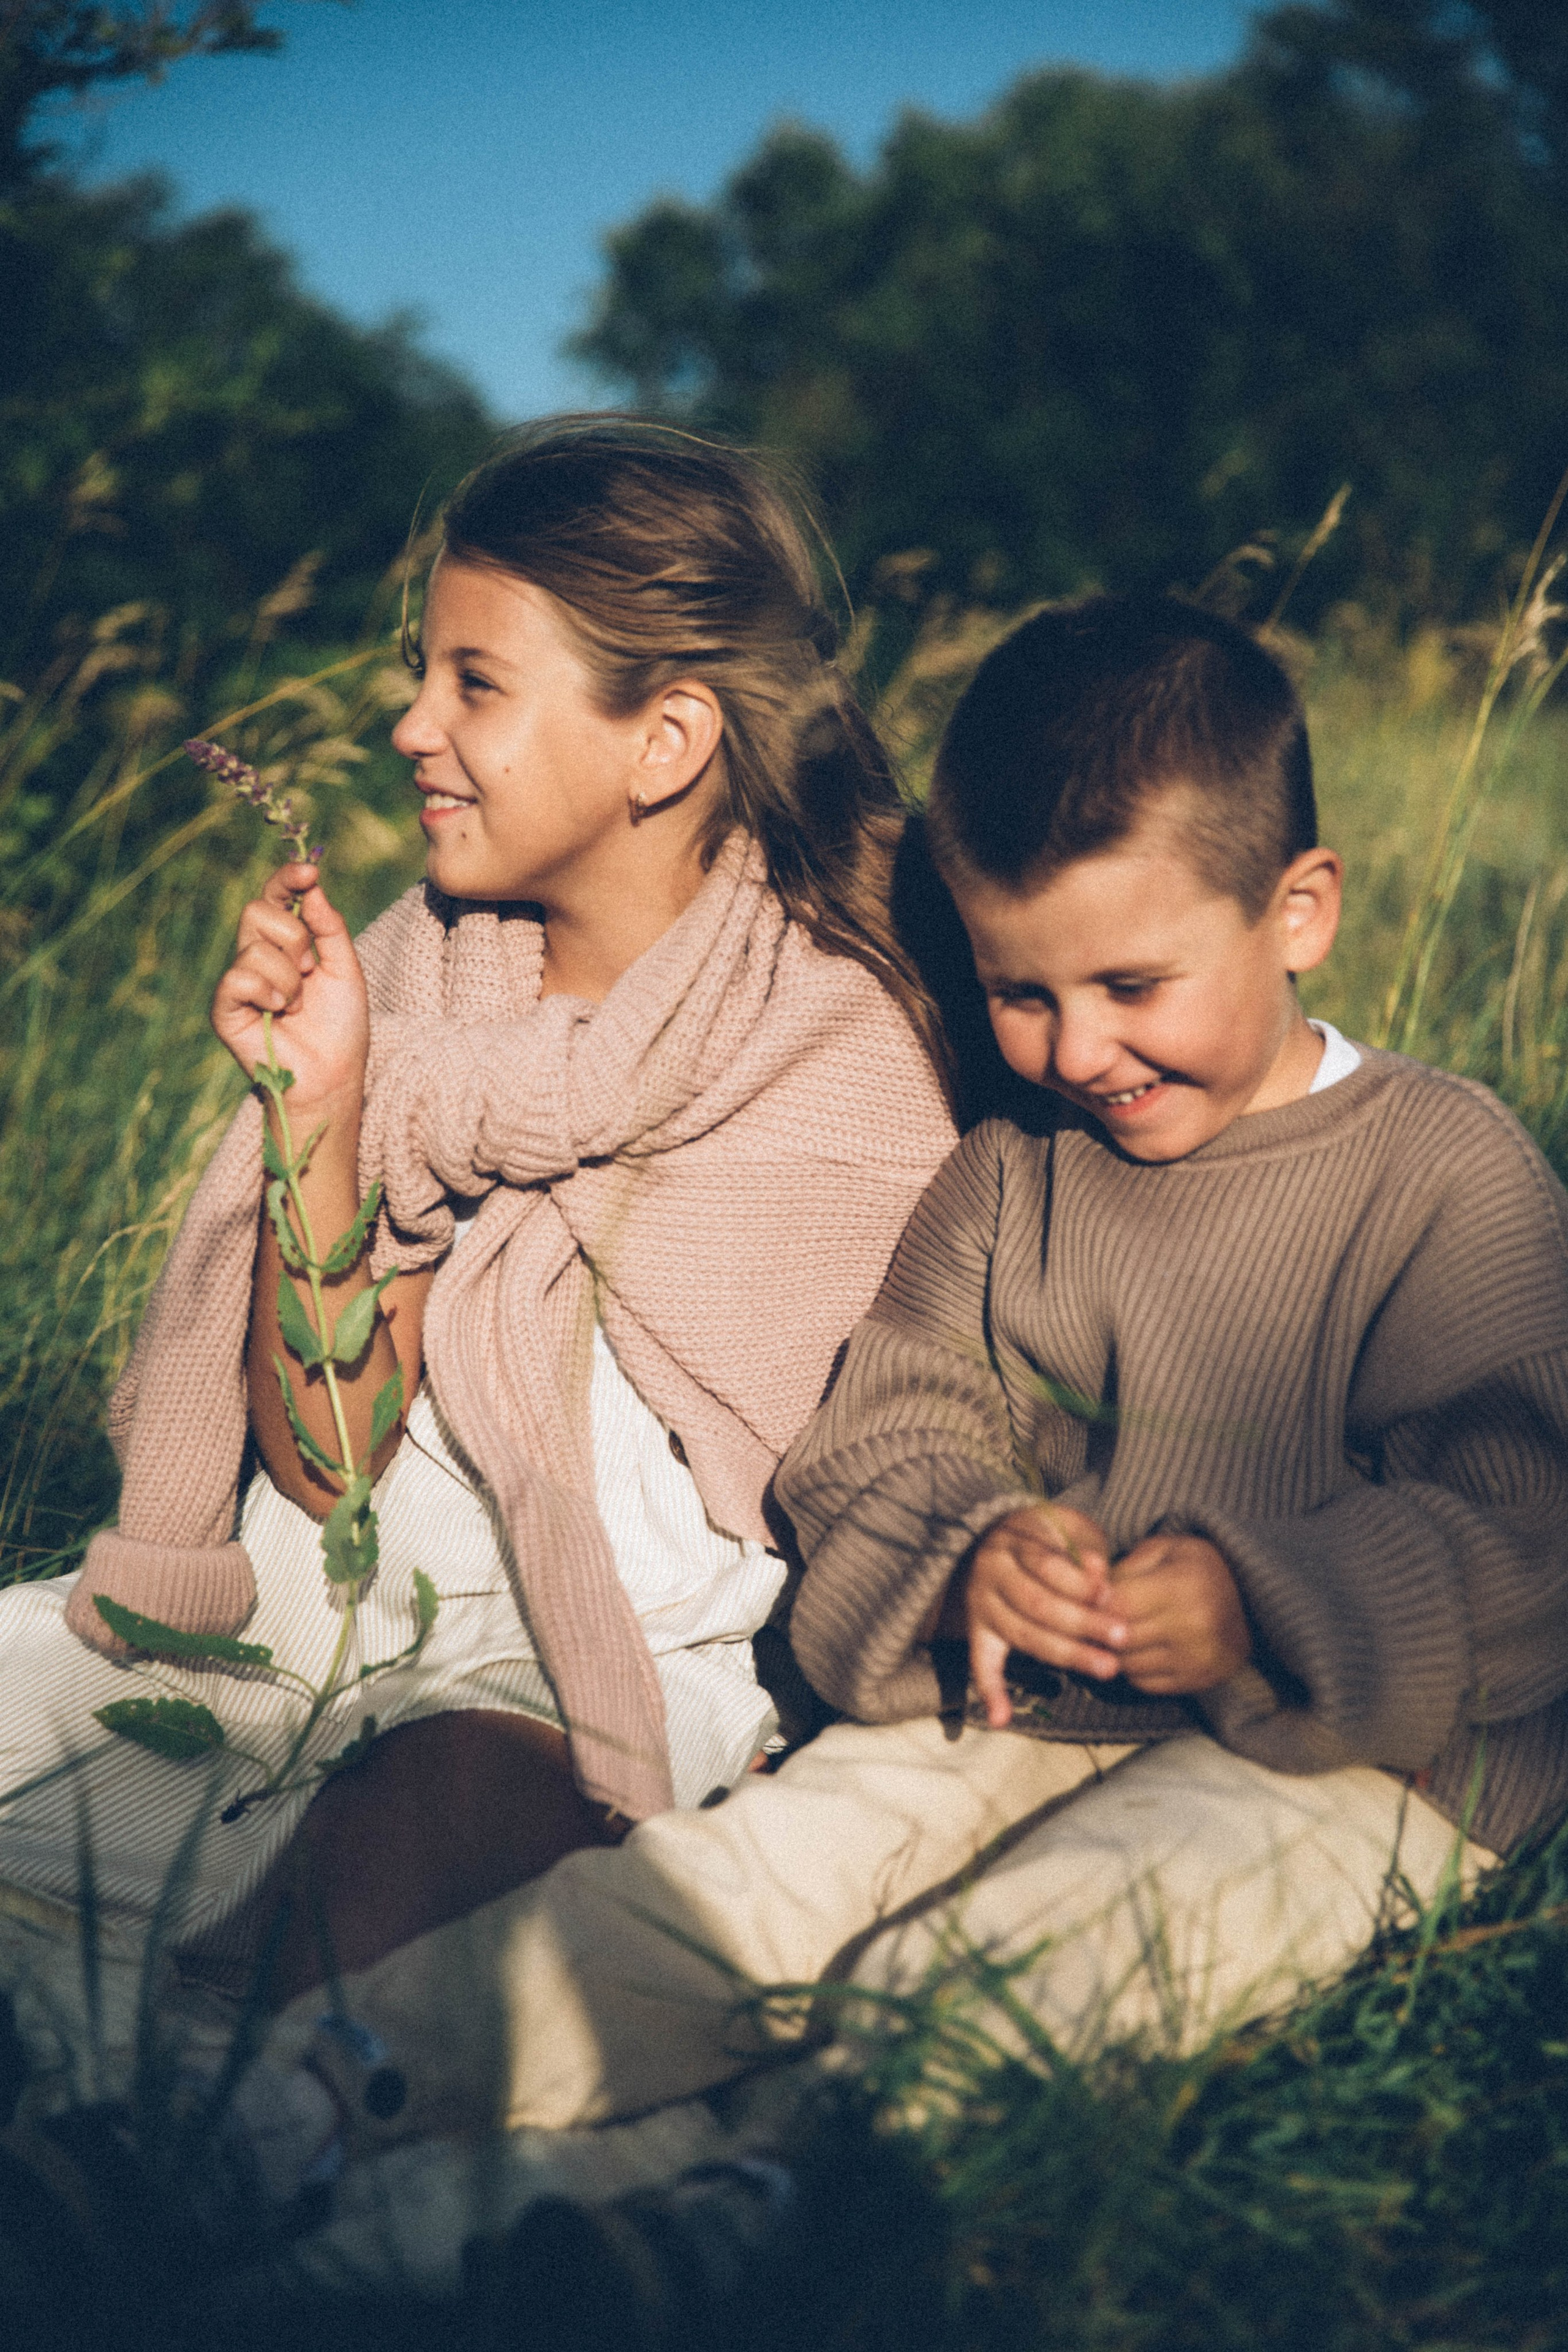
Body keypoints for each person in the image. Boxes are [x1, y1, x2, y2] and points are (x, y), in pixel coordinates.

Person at [226, 592, 1567, 2206]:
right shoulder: (1014, 1178)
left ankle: (769, 2201)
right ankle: (319, 2098)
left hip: (1361, 1757)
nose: (1077, 1051)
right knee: (747, 1883)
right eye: (1022, 993)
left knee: (1065, 1940)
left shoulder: (1443, 1174)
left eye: (1133, 986)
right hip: (1014, 1711)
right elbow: (885, 1443)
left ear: (1299, 912)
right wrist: (974, 1551)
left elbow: (1525, 1525)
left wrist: (1264, 1599)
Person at [0, 418, 956, 2003]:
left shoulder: (833, 1047)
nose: (408, 726)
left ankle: (177, 2130)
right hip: (303, 1629)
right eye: (421, 674)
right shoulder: (413, 973)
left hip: (585, 1684)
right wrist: (318, 1114)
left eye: (475, 683)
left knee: (418, 1829)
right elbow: (324, 1470)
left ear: (665, 740)